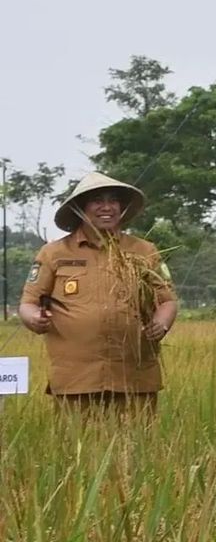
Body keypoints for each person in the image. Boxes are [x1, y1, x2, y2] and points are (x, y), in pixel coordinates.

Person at [18, 172, 178, 416]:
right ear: (81, 208)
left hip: (134, 375)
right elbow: (28, 303)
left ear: (122, 208)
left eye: (113, 200)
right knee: (75, 450)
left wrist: (161, 322)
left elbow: (166, 301)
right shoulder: (54, 253)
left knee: (137, 448)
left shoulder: (144, 250)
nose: (107, 207)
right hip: (76, 379)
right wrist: (33, 319)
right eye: (97, 201)